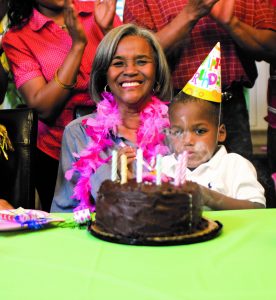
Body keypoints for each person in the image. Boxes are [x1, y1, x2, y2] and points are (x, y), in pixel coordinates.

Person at [2, 0, 122, 211]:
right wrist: (78, 46)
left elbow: (131, 73)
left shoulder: (98, 11)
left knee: (123, 215)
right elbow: (44, 108)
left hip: (115, 141)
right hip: (56, 156)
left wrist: (109, 31)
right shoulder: (18, 37)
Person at [123, 0, 276, 159]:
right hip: (170, 109)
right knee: (173, 179)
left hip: (231, 107)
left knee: (237, 177)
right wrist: (190, 14)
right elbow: (135, 56)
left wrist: (232, 23)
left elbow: (272, 48)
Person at [51, 23, 173, 212]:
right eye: (118, 63)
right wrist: (112, 171)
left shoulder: (176, 129)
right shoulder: (79, 133)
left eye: (141, 61)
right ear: (104, 75)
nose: (130, 70)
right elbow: (66, 213)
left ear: (157, 71)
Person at [162, 92, 266, 210]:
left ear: (220, 133)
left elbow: (257, 208)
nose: (187, 141)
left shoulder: (235, 165)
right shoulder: (163, 167)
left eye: (200, 131)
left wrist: (209, 197)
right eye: (178, 132)